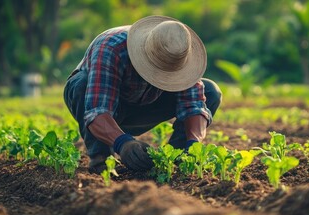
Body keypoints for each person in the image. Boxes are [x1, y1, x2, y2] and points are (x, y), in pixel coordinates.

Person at [63, 15, 222, 174]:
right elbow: (97, 112)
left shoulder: (181, 55)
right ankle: (102, 162)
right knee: (81, 84)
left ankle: (176, 158)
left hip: (146, 106)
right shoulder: (111, 48)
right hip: (107, 108)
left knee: (210, 91)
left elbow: (194, 107)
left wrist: (193, 145)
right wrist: (123, 143)